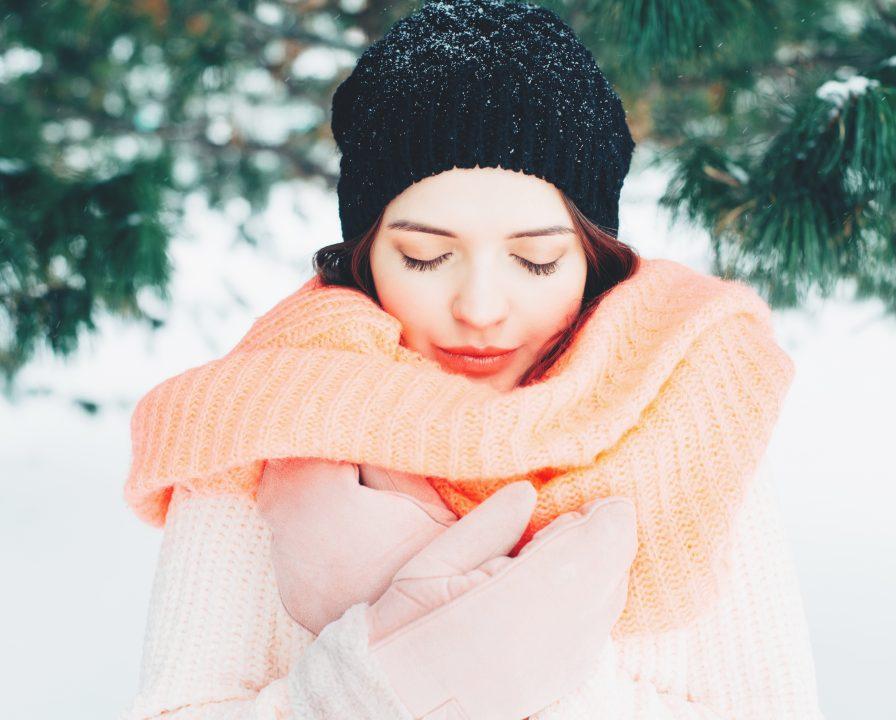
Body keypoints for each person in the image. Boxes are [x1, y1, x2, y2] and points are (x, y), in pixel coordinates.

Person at [120, 1, 826, 718]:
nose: (481, 307)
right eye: (426, 257)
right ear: (365, 253)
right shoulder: (255, 427)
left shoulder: (689, 421)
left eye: (535, 259)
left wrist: (540, 671)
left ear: (592, 257)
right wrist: (361, 693)